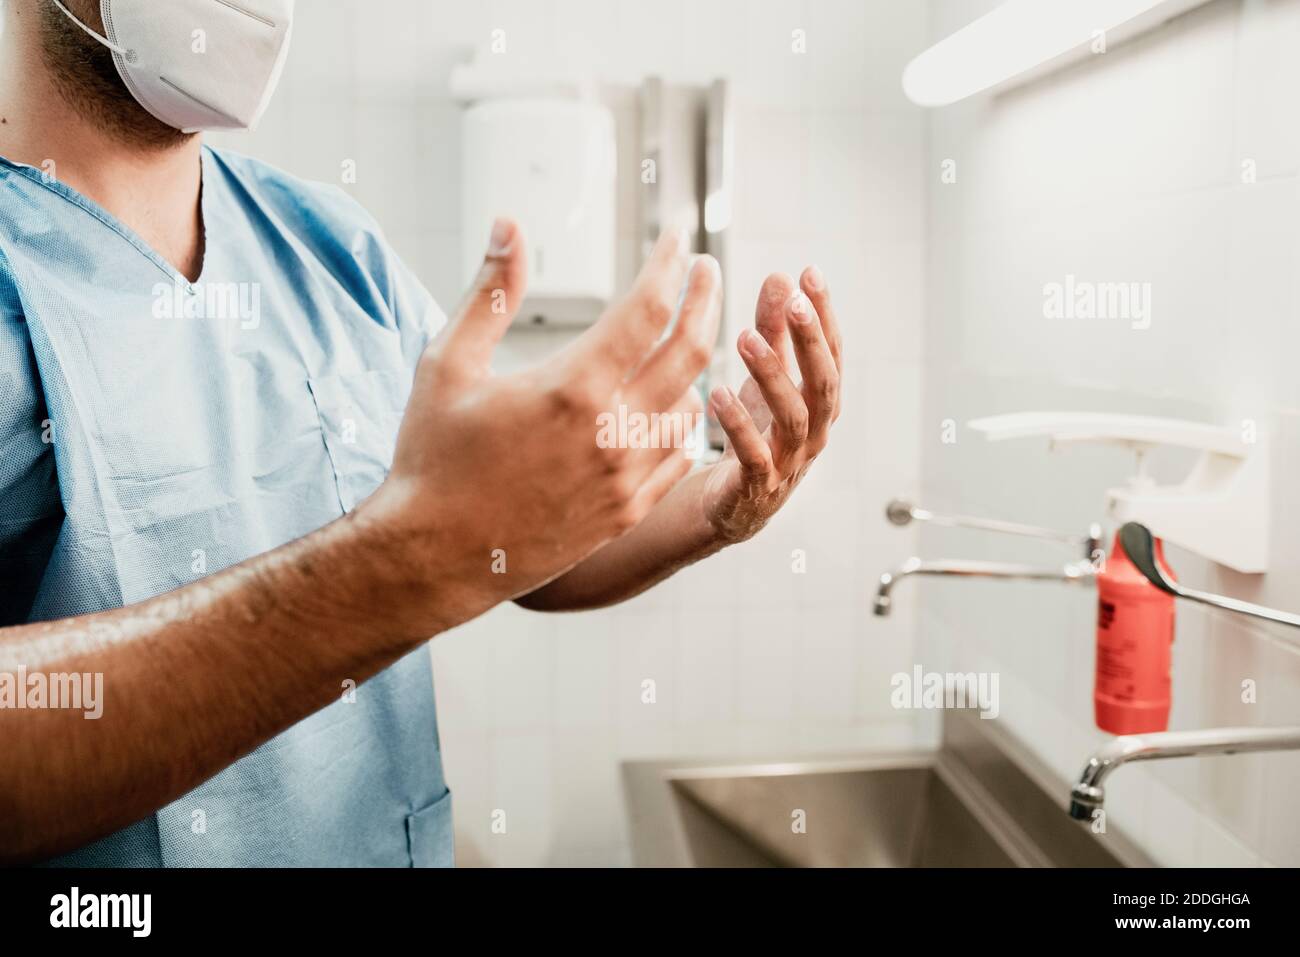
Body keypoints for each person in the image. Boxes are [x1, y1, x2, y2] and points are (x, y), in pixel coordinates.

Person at [0, 0, 843, 866]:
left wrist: (715, 505)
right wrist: (400, 566)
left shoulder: (332, 249)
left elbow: (506, 539)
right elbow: (434, 547)